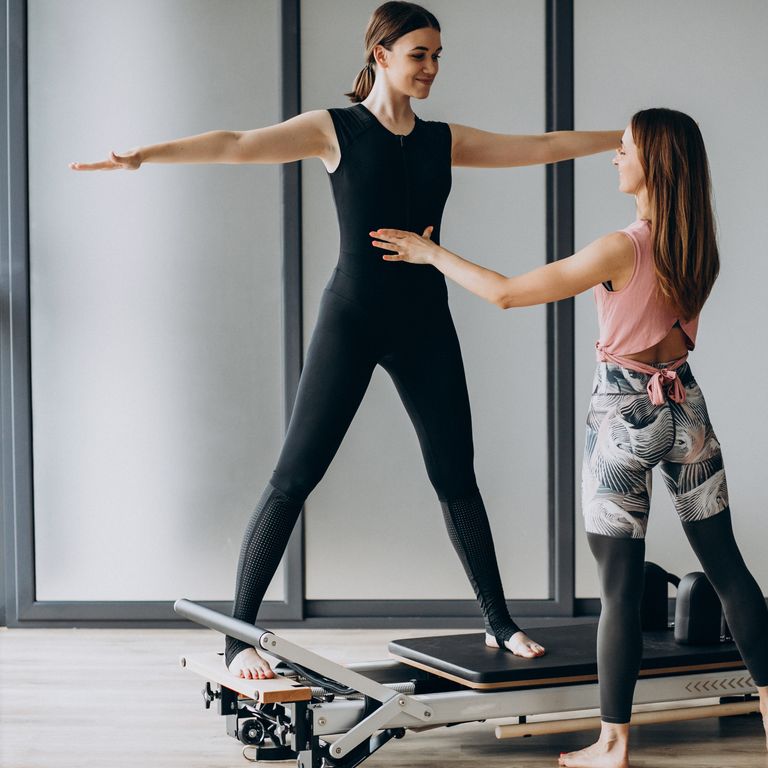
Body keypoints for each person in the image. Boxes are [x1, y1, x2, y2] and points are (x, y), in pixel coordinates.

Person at [70, 1, 620, 680]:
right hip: (353, 318)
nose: (432, 68)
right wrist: (146, 156)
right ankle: (239, 637)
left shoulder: (441, 139)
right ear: (380, 55)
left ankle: (498, 622)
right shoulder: (335, 131)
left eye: (438, 55)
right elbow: (238, 143)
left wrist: (625, 137)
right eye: (419, 54)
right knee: (293, 476)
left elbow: (539, 147)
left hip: (425, 323)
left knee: (455, 476)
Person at [370, 107, 768, 767]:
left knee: (617, 588)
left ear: (654, 166)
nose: (616, 157)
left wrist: (428, 251)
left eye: (625, 148)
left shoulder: (624, 247)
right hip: (686, 407)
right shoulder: (700, 245)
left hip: (622, 414)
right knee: (729, 571)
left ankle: (612, 743)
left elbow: (506, 293)